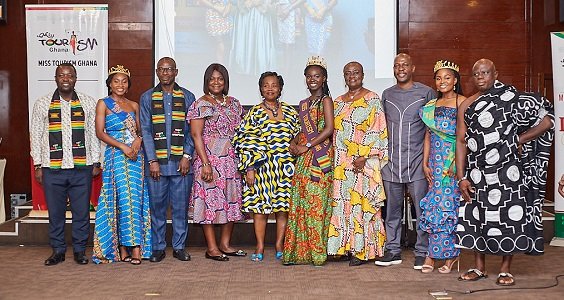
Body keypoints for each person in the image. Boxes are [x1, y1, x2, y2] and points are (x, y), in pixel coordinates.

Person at [456, 59, 554, 286]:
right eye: (476, 73)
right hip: (477, 172)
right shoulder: (467, 105)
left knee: (508, 217)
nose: (480, 77)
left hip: (507, 171)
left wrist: (521, 138)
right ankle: (479, 267)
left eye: (485, 72)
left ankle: (505, 269)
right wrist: (462, 177)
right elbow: (460, 142)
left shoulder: (513, 99)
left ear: (495, 74)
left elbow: (547, 119)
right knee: (475, 217)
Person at [30, 63, 101, 266]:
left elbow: (93, 135)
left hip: (82, 167)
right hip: (53, 168)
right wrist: (38, 164)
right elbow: (36, 135)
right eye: (61, 75)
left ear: (75, 78)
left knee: (81, 212)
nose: (66, 78)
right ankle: (58, 251)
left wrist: (96, 161)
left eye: (69, 75)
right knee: (56, 212)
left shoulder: (88, 102)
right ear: (56, 78)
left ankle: (80, 251)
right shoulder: (42, 104)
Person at [375, 53, 435, 270]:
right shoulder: (387, 94)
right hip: (391, 164)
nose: (400, 69)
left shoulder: (426, 92)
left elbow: (432, 129)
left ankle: (422, 252)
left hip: (417, 162)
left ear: (413, 68)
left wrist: (428, 161)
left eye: (405, 65)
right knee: (392, 211)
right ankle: (392, 251)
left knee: (422, 211)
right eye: (396, 65)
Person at [233, 71, 300, 261]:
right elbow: (246, 141)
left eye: (274, 85)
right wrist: (250, 169)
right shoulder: (254, 112)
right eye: (266, 85)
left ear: (280, 88)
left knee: (282, 208)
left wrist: (294, 147)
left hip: (285, 168)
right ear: (261, 89)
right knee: (260, 209)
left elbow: (298, 135)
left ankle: (279, 244)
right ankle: (260, 246)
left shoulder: (289, 111)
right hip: (261, 168)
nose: (270, 88)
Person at [327, 61, 389, 266]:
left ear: (363, 74)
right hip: (341, 164)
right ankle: (344, 247)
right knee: (342, 205)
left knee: (361, 206)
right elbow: (333, 133)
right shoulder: (337, 102)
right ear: (343, 77)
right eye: (348, 73)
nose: (352, 76)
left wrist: (365, 156)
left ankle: (361, 250)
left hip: (363, 163)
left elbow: (378, 129)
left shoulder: (372, 98)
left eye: (356, 72)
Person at [92, 65, 151, 265]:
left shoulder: (134, 105)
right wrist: (122, 146)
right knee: (121, 199)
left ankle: (135, 246)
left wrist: (137, 141)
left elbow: (142, 131)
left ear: (128, 84)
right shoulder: (103, 104)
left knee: (136, 198)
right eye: (116, 81)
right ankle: (124, 248)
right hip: (116, 155)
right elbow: (100, 133)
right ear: (109, 84)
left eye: (124, 81)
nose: (120, 85)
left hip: (136, 157)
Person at [186, 63, 245, 261]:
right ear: (206, 82)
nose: (216, 82)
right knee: (209, 203)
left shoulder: (235, 103)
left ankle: (225, 244)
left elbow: (241, 132)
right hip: (209, 160)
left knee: (230, 201)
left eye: (220, 78)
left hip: (231, 161)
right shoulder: (201, 103)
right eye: (212, 79)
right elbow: (196, 135)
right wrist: (205, 163)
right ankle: (212, 248)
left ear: (225, 81)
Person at [140, 57, 196, 262]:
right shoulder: (147, 98)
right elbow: (145, 130)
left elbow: (193, 131)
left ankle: (179, 246)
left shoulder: (188, 97)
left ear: (176, 72)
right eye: (162, 70)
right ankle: (158, 247)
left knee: (180, 208)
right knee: (158, 208)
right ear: (157, 72)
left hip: (182, 165)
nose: (165, 73)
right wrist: (152, 160)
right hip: (157, 166)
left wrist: (187, 155)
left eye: (169, 69)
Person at [282, 56, 334, 266]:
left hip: (319, 157)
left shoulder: (326, 101)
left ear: (324, 79)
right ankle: (300, 253)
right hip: (303, 158)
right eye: (309, 76)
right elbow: (302, 131)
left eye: (317, 76)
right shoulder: (304, 104)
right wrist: (294, 143)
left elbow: (329, 129)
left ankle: (317, 253)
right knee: (301, 203)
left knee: (317, 204)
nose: (313, 79)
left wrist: (308, 146)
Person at [418, 60, 466, 274]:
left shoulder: (463, 102)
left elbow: (465, 137)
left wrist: (457, 164)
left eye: (447, 77)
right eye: (439, 78)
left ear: (455, 80)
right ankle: (432, 254)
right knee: (434, 206)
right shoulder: (431, 107)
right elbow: (428, 136)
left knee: (450, 208)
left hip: (454, 163)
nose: (443, 81)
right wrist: (425, 163)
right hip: (435, 164)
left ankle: (451, 256)